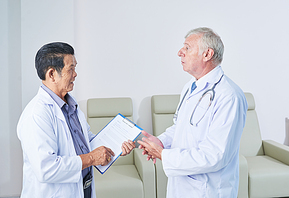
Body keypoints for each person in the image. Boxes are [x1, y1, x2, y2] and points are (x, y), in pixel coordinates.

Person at [138, 27, 248, 198]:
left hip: (208, 190)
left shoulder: (229, 96)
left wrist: (164, 155)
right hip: (182, 185)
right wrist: (161, 142)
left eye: (187, 48)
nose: (180, 52)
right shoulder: (191, 86)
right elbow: (180, 127)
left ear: (207, 54)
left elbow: (215, 155)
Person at [17, 42, 136, 198]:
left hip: (82, 189)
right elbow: (46, 169)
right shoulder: (36, 114)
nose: (75, 74)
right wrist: (93, 158)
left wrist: (114, 148)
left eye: (75, 68)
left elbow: (87, 143)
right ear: (52, 74)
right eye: (70, 69)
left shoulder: (71, 106)